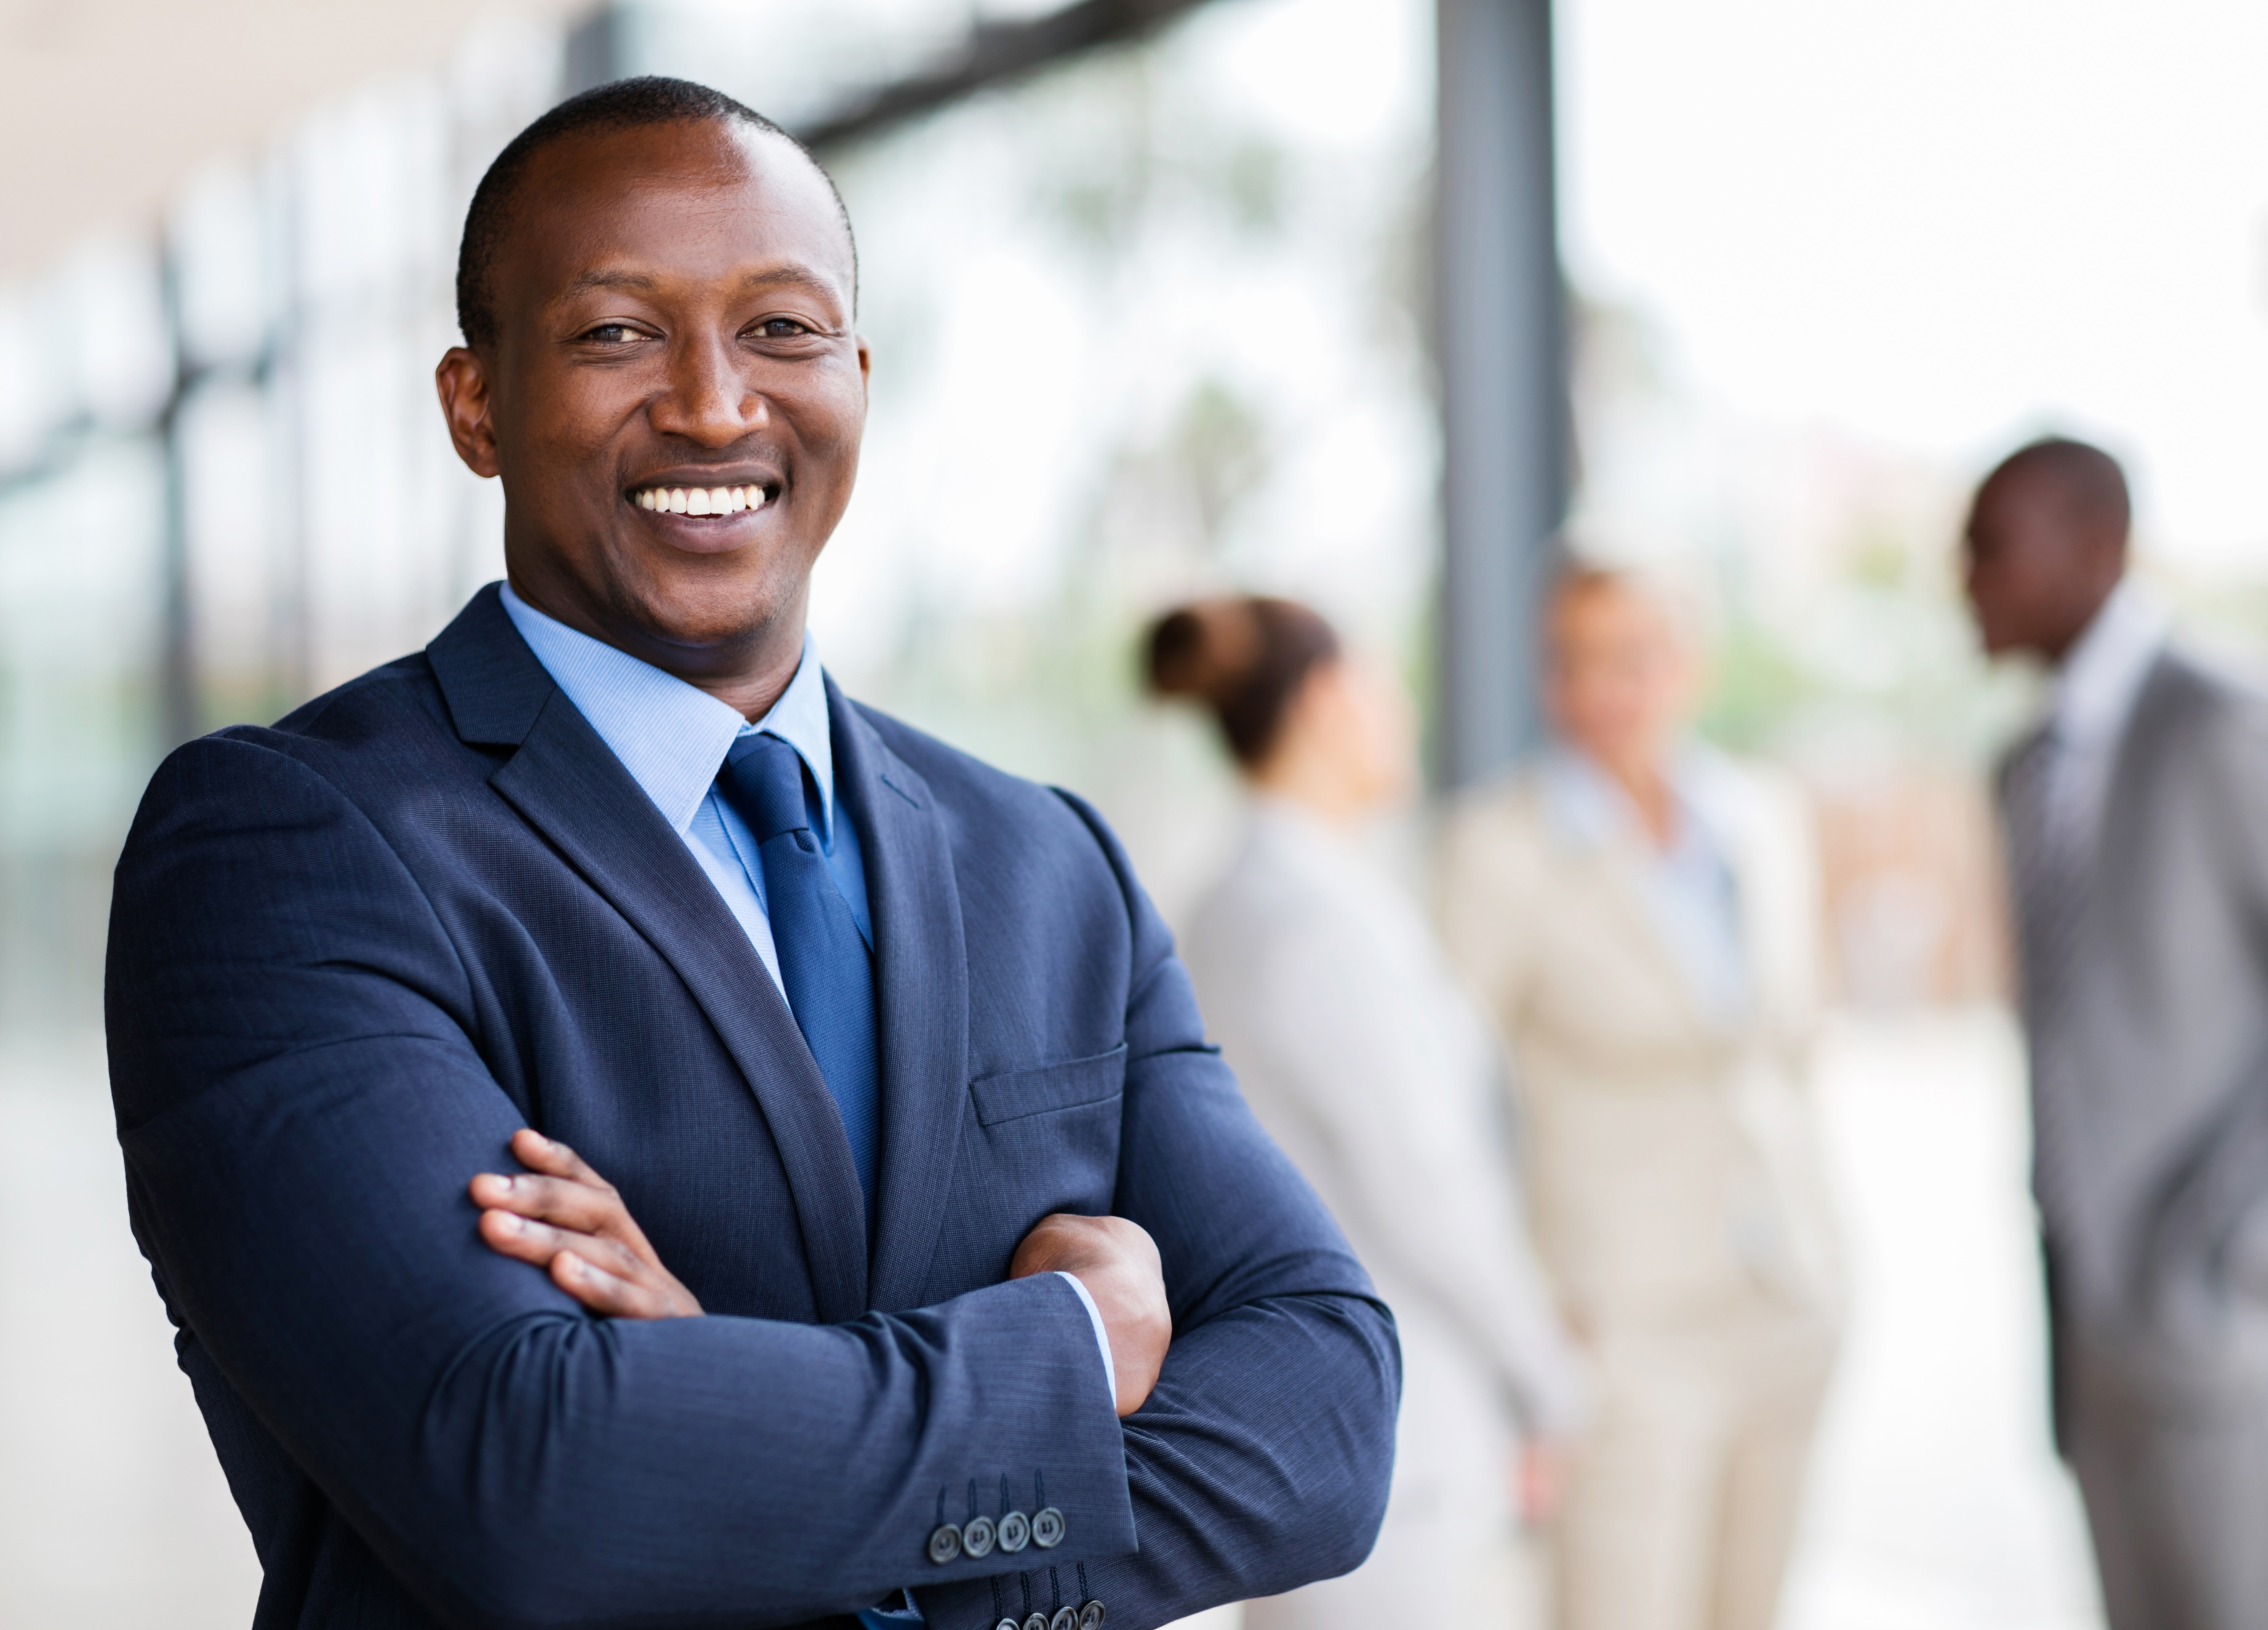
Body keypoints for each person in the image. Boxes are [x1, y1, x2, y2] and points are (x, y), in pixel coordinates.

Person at [104, 78, 1397, 1630]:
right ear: (476, 405)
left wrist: (717, 1401)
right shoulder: (289, 847)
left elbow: (1330, 1413)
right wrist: (1068, 1346)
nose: (717, 405)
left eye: (782, 329)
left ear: (860, 371)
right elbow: (534, 1483)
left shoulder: (1050, 866)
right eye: (616, 333)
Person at [1964, 436, 2268, 1630]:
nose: (1960, 580)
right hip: (2096, 1347)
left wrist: (2252, 1243)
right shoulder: (2025, 766)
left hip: (2237, 1344)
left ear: (2098, 546)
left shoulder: (2230, 725)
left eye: (1988, 546)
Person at [1148, 597, 1586, 1630]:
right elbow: (1426, 1181)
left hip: (1334, 1423)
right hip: (1393, 1431)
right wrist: (1551, 1371)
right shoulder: (1312, 918)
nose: (1403, 713)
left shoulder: (1247, 896)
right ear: (1327, 698)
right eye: (1385, 684)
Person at [1438, 566, 1843, 1630]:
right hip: (1621, 1329)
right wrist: (1527, 1319)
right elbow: (1443, 1110)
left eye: (1631, 657)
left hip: (1786, 1298)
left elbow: (1790, 1059)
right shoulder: (1500, 849)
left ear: (1690, 666)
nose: (1597, 689)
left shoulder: (1763, 819)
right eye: (1568, 660)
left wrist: (1835, 1261)